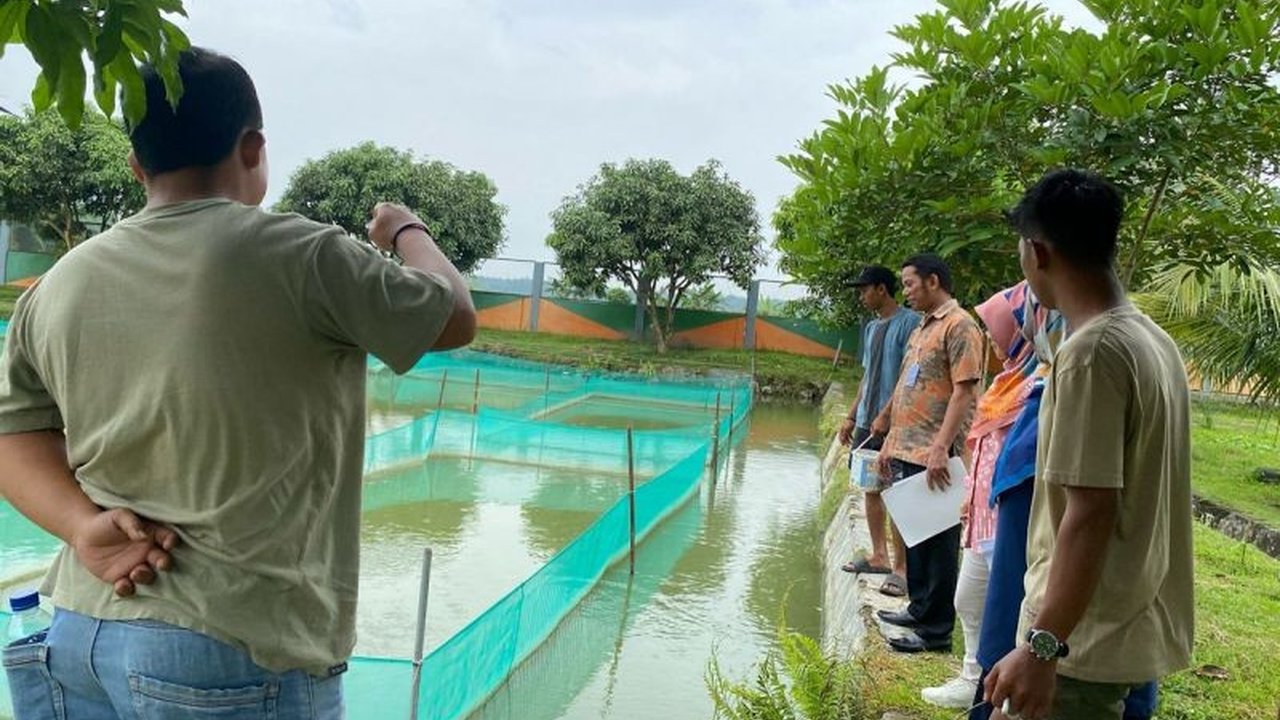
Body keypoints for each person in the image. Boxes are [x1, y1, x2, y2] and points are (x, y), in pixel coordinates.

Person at [0, 47, 476, 718]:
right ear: (253, 147)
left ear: (137, 164)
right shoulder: (300, 253)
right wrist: (405, 230)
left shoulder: (59, 284)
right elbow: (452, 316)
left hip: (80, 633)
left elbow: (13, 434)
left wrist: (82, 525)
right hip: (234, 648)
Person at [985, 169, 1193, 720]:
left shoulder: (1090, 354)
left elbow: (1090, 511)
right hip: (1118, 627)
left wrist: (1040, 647)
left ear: (1038, 252)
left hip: (1077, 647)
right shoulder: (1152, 340)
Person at [922, 281, 1037, 708]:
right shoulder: (1006, 382)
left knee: (1005, 611)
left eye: (996, 328)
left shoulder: (1036, 387)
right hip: (980, 515)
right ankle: (973, 677)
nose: (990, 337)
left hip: (1008, 518)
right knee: (968, 600)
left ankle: (997, 690)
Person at [872, 253, 984, 653]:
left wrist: (941, 446)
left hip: (935, 452)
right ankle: (919, 609)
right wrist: (888, 436)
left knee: (938, 543)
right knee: (917, 536)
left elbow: (964, 390)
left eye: (909, 283)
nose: (906, 291)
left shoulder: (961, 326)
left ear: (933, 281)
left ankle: (936, 631)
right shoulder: (922, 328)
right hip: (908, 445)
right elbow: (906, 384)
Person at [838, 265, 919, 598]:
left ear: (882, 289)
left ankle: (902, 569)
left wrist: (887, 415)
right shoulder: (871, 328)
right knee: (871, 488)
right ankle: (878, 555)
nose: (861, 296)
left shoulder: (909, 324)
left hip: (895, 424)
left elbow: (908, 376)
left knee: (897, 491)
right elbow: (867, 376)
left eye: (865, 289)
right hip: (866, 424)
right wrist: (851, 416)